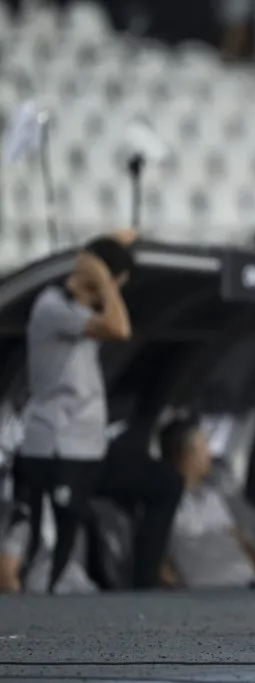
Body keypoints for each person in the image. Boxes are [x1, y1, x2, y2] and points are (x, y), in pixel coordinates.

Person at [10, 233, 134, 594]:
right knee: (47, 537)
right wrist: (103, 280)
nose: (112, 296)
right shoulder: (52, 307)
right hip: (56, 444)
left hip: (87, 445)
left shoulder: (78, 310)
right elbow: (120, 328)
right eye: (116, 285)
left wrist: (117, 242)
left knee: (158, 484)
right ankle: (37, 598)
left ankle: (63, 588)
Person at [158, 417, 255, 588]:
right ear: (187, 455)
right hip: (205, 592)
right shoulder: (164, 505)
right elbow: (162, 565)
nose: (209, 454)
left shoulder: (212, 497)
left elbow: (241, 540)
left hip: (247, 584)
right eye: (203, 448)